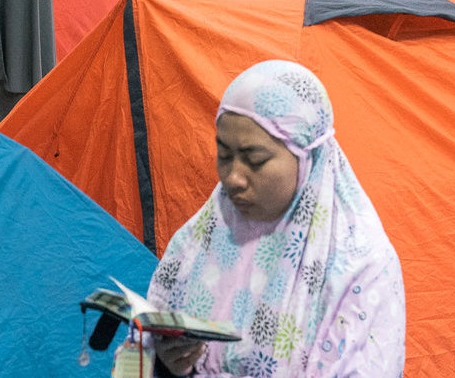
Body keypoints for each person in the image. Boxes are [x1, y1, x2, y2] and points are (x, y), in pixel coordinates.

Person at [146, 60, 406, 377]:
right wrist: (170, 364)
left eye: (255, 159)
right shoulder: (201, 238)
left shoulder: (358, 266)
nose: (233, 178)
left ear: (307, 157)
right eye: (224, 155)